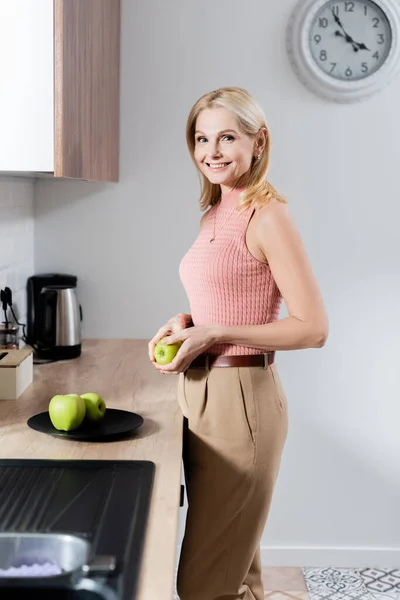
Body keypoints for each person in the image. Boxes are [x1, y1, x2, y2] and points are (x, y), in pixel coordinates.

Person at [148, 87, 328, 600]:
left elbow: (313, 327)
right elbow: (226, 298)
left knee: (203, 584)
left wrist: (216, 333)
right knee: (235, 571)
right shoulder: (216, 212)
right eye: (201, 138)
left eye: (227, 136)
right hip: (201, 394)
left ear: (258, 141)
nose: (212, 151)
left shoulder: (267, 216)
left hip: (243, 402)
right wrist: (187, 322)